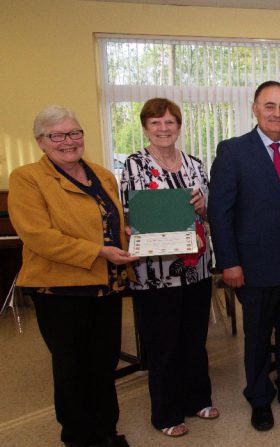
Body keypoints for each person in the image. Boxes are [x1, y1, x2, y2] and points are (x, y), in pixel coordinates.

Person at [8, 106, 137, 447]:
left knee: (103, 364)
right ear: (41, 142)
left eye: (75, 133)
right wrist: (98, 251)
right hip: (60, 291)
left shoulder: (101, 174)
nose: (69, 141)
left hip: (107, 287)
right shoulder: (27, 178)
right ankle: (79, 438)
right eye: (58, 135)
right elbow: (38, 236)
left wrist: (127, 235)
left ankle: (107, 432)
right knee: (71, 368)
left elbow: (110, 221)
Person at [208, 81, 280, 432]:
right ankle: (259, 397)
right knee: (257, 337)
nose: (277, 113)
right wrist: (229, 261)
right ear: (255, 108)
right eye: (270, 105)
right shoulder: (233, 151)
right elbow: (220, 212)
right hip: (253, 264)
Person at [119, 98, 217, 437]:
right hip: (156, 272)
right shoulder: (135, 164)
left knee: (194, 339)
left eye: (170, 122)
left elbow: (208, 213)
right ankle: (166, 413)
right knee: (163, 344)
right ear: (146, 127)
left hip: (197, 267)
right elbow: (130, 215)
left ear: (179, 126)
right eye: (156, 123)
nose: (164, 128)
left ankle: (197, 398)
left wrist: (204, 206)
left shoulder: (195, 163)